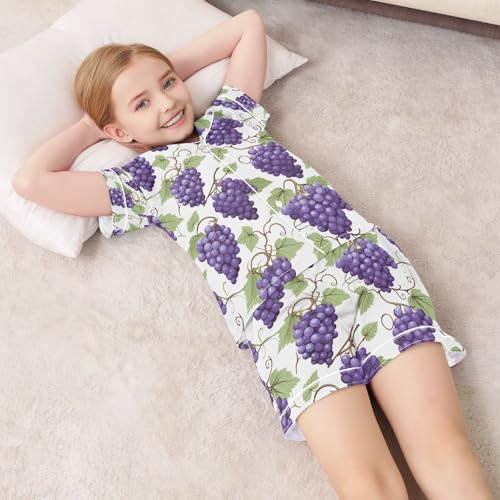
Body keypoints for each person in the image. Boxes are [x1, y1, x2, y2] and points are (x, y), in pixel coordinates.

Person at [11, 8, 493, 499]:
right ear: (118, 133)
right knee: (365, 482)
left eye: (169, 83)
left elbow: (247, 26)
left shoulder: (232, 119)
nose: (168, 102)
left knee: (443, 450)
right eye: (142, 103)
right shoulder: (140, 183)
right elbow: (31, 181)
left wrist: (152, 73)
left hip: (367, 274)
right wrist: (93, 125)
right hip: (284, 324)